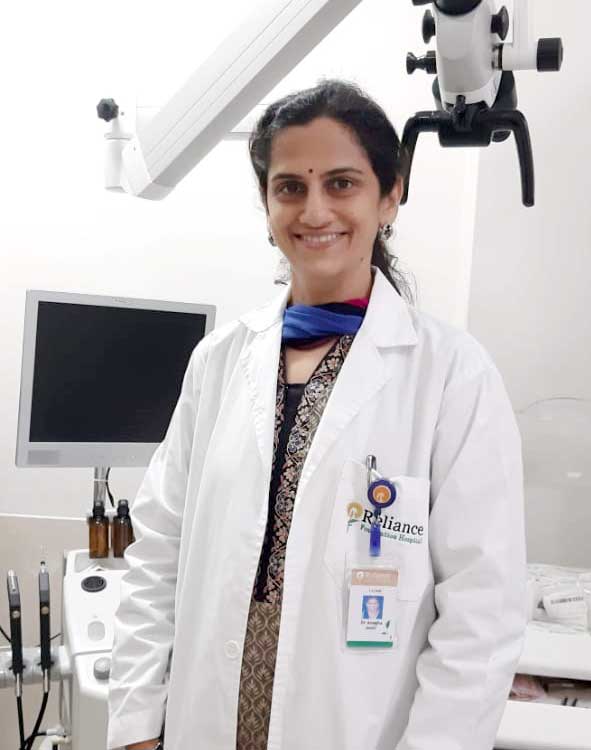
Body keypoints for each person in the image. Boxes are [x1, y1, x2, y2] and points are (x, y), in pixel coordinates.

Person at [107, 79, 527, 750]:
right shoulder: (219, 362)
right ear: (267, 203)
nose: (314, 210)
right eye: (289, 187)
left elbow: (482, 608)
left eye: (341, 183)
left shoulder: (451, 374)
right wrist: (136, 722)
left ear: (389, 196)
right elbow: (158, 552)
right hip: (203, 722)